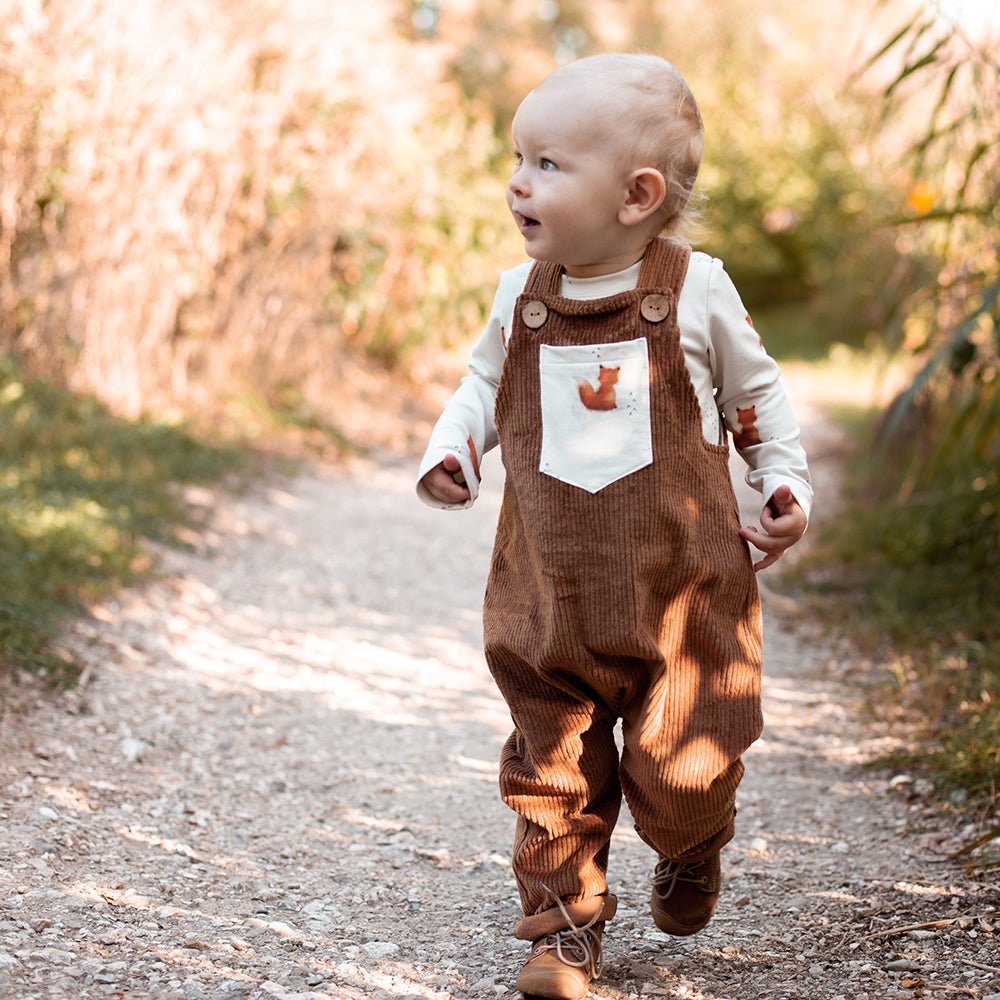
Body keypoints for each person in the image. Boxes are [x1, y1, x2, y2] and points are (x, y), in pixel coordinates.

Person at [416, 53, 812, 1000]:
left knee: (685, 774)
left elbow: (756, 396)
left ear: (637, 196)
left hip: (686, 598)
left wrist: (782, 482)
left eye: (548, 163)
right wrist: (454, 448)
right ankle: (562, 929)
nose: (519, 181)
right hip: (549, 599)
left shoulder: (696, 289)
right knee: (551, 768)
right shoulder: (519, 297)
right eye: (518, 159)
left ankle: (693, 844)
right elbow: (481, 385)